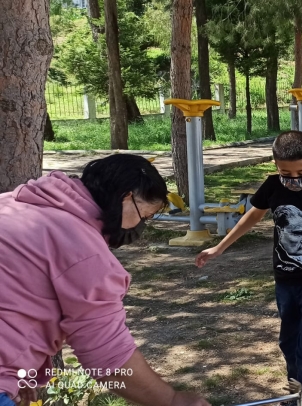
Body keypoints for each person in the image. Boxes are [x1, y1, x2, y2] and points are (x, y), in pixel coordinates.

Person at [0, 155, 210, 406]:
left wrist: (17, 375)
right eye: (144, 216)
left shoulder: (10, 204)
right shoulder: (81, 250)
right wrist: (172, 399)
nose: (140, 227)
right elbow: (106, 353)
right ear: (126, 197)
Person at [196, 131, 302, 406]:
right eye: (286, 173)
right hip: (284, 281)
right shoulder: (272, 187)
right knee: (288, 342)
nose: (294, 180)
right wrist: (219, 247)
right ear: (275, 166)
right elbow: (252, 216)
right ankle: (296, 393)